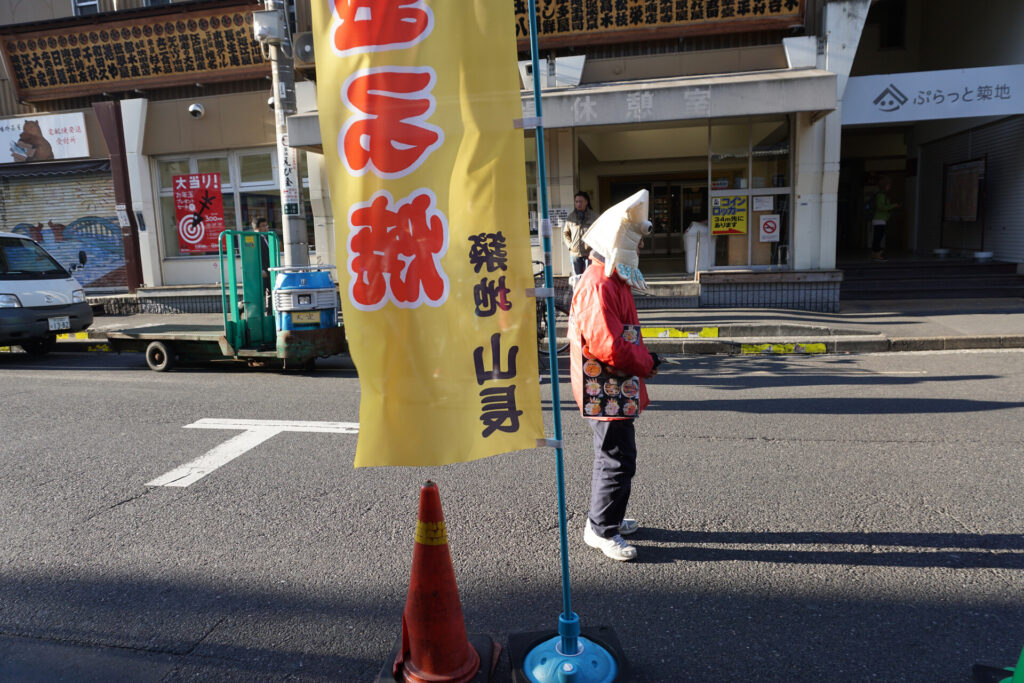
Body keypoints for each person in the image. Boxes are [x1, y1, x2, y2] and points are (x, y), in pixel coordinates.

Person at [568, 189, 661, 562]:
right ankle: (601, 528)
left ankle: (607, 518)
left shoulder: (606, 279)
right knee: (617, 458)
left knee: (614, 455)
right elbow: (610, 346)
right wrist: (646, 362)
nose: (637, 251)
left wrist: (642, 360)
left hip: (610, 384)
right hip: (607, 385)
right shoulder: (600, 284)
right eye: (634, 244)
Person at [562, 191, 597, 278]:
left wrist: (594, 247)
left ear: (586, 202)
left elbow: (600, 232)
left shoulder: (594, 216)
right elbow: (565, 233)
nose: (578, 204)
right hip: (575, 254)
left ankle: (588, 292)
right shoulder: (571, 217)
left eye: (580, 201)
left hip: (589, 253)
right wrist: (570, 246)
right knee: (577, 278)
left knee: (589, 277)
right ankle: (577, 292)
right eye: (576, 201)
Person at [870, 177, 899, 261]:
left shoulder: (881, 195)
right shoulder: (881, 195)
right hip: (880, 219)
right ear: (885, 186)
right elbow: (881, 207)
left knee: (878, 236)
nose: (889, 187)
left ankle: (875, 253)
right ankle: (876, 253)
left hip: (880, 219)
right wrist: (893, 206)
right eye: (888, 185)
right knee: (878, 237)